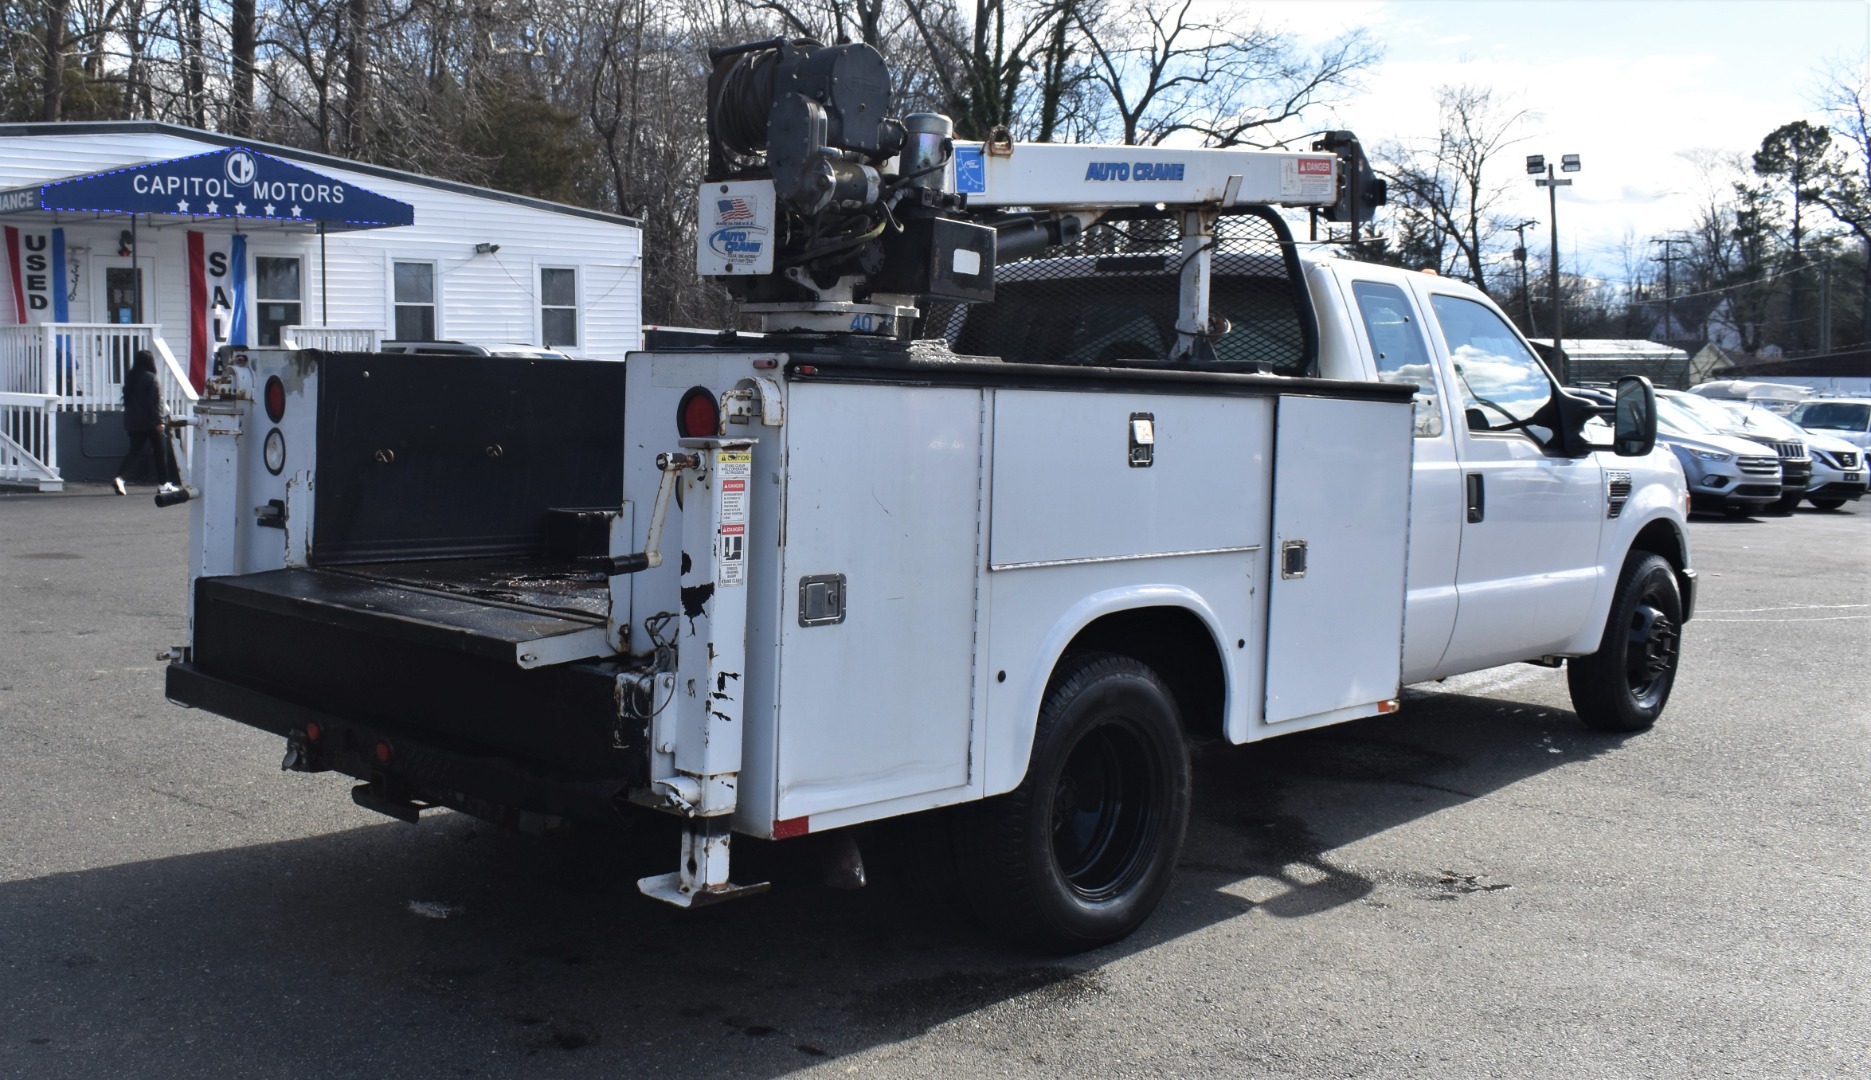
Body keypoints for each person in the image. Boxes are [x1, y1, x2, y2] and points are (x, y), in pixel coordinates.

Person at [113, 349, 180, 495]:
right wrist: (160, 421)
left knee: (135, 451)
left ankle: (120, 477)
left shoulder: (131, 377)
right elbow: (155, 402)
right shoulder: (151, 378)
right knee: (160, 452)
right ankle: (163, 483)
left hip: (132, 422)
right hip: (151, 422)